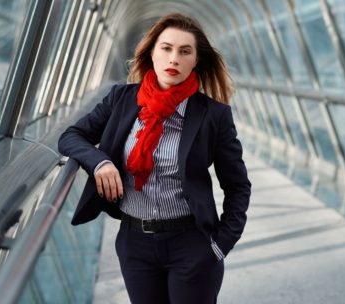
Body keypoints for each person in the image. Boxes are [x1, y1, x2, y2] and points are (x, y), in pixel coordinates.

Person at [58, 13, 251, 304]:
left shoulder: (213, 114)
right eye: (166, 48)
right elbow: (71, 136)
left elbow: (238, 186)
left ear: (196, 60)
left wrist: (220, 245)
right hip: (135, 243)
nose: (174, 58)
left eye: (185, 51)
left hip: (191, 242)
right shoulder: (122, 99)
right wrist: (100, 162)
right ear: (151, 52)